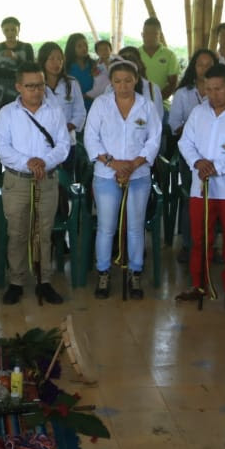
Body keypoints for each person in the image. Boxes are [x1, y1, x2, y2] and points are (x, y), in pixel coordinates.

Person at [175, 63, 225, 312]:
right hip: (201, 187)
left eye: (218, 89)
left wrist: (216, 167)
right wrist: (198, 162)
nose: (213, 94)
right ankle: (199, 284)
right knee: (200, 237)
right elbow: (185, 142)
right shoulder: (198, 113)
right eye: (208, 89)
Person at [84, 59, 161, 300]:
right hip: (107, 174)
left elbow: (153, 139)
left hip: (137, 175)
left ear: (136, 80)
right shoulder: (101, 104)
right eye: (117, 81)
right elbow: (91, 138)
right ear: (111, 82)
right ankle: (104, 272)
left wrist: (134, 164)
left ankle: (135, 273)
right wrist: (113, 163)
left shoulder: (146, 106)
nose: (123, 85)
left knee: (136, 227)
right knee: (106, 227)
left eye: (128, 80)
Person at [0, 62, 71, 305]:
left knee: (43, 233)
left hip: (47, 180)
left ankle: (43, 281)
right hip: (17, 181)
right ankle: (16, 282)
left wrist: (44, 162)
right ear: (19, 87)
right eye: (30, 86)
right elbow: (1, 147)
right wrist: (28, 163)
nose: (36, 91)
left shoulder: (54, 111)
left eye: (40, 85)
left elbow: (63, 145)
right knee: (17, 233)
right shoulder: (7, 113)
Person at [168, 49, 217, 263]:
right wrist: (196, 127)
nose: (204, 68)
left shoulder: (223, 92)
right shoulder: (183, 93)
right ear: (193, 67)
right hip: (190, 156)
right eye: (200, 64)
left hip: (215, 156)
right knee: (191, 199)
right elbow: (174, 125)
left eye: (209, 64)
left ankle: (210, 247)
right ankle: (189, 245)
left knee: (214, 199)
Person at [0, 16, 34, 113]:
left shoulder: (27, 47)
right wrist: (15, 74)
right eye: (7, 30)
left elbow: (31, 68)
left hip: (21, 88)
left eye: (13, 30)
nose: (10, 33)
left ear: (18, 30)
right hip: (1, 89)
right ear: (3, 31)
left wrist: (17, 58)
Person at [40, 42, 87, 135]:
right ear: (43, 60)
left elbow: (80, 113)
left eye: (60, 59)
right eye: (52, 59)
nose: (57, 63)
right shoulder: (36, 85)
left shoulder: (72, 83)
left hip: (68, 139)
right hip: (42, 139)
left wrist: (65, 128)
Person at [139, 18, 179, 99]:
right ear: (142, 34)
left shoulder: (170, 56)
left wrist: (157, 100)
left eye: (154, 33)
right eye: (146, 33)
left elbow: (172, 84)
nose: (150, 37)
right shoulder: (135, 54)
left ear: (160, 35)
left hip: (162, 105)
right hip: (138, 104)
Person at [62, 33, 98, 112]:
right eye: (79, 46)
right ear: (72, 48)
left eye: (85, 45)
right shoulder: (65, 67)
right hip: (73, 109)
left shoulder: (94, 65)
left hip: (93, 107)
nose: (84, 48)